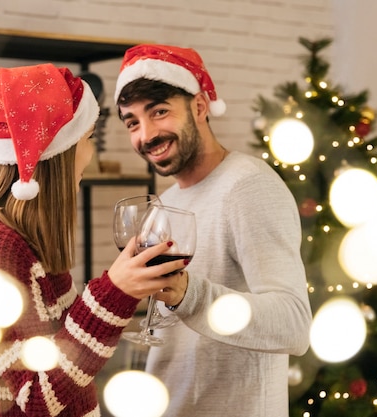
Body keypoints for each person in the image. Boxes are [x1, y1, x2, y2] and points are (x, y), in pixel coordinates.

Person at [0, 63, 188, 417]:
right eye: (88, 139)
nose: (91, 154)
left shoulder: (23, 237)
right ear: (58, 152)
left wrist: (121, 282)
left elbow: (55, 343)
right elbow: (37, 398)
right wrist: (113, 294)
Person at [114, 45, 313, 416]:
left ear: (200, 107)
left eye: (159, 112)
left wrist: (189, 294)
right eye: (132, 122)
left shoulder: (249, 186)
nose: (147, 135)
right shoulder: (168, 200)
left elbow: (294, 324)